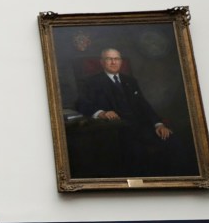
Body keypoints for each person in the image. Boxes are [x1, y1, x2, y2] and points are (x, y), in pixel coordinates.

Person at [75, 48, 189, 177]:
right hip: (116, 130)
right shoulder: (92, 82)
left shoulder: (130, 81)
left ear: (121, 61)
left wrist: (158, 124)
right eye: (109, 59)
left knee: (173, 141)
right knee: (136, 152)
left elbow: (144, 105)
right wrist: (102, 113)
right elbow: (81, 104)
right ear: (102, 62)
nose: (113, 62)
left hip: (141, 126)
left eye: (116, 59)